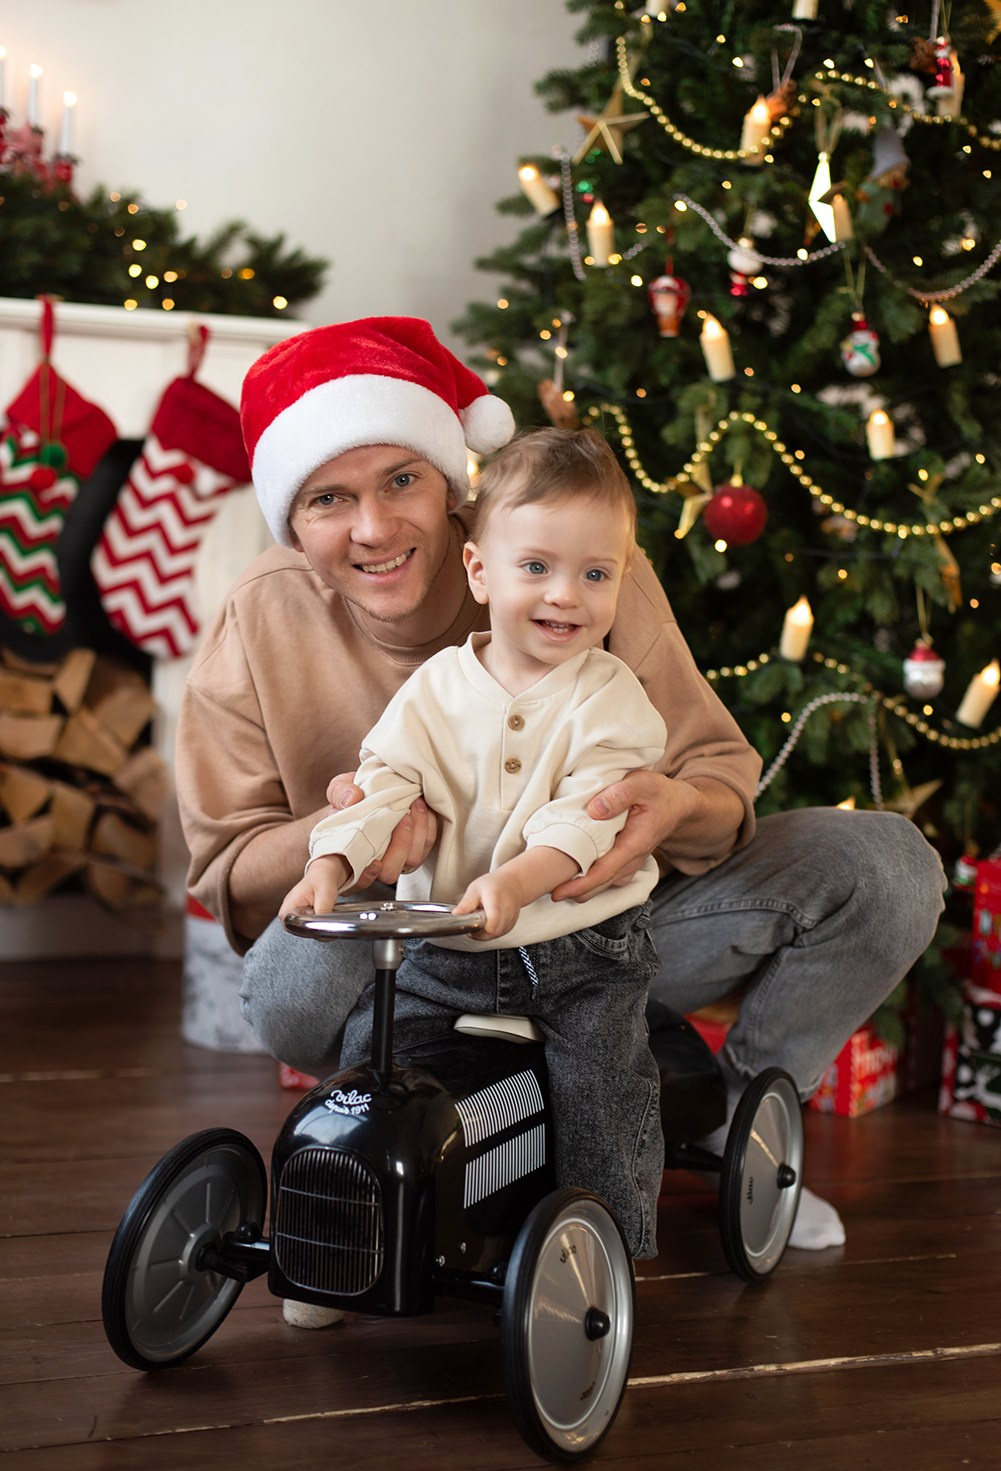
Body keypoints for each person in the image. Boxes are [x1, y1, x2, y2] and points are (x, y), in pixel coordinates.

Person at [175, 315, 946, 1289]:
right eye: (330, 498)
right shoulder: (265, 615)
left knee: (883, 863)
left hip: (597, 934)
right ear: (294, 517)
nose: (371, 528)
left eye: (401, 481)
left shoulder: (577, 566)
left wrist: (663, 806)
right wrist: (344, 840)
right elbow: (230, 874)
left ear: (451, 488)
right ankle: (388, 1157)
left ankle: (741, 1137)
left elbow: (720, 780)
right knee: (292, 981)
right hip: (413, 949)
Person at [280, 426, 668, 1263]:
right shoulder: (436, 689)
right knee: (366, 1072)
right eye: (536, 567)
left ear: (618, 582)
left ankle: (608, 1253)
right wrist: (329, 864)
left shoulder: (611, 698)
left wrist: (520, 881)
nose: (565, 595)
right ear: (479, 569)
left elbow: (588, 815)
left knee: (603, 1088)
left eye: (593, 575)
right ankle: (342, 1244)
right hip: (442, 946)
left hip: (577, 952)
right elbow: (382, 784)